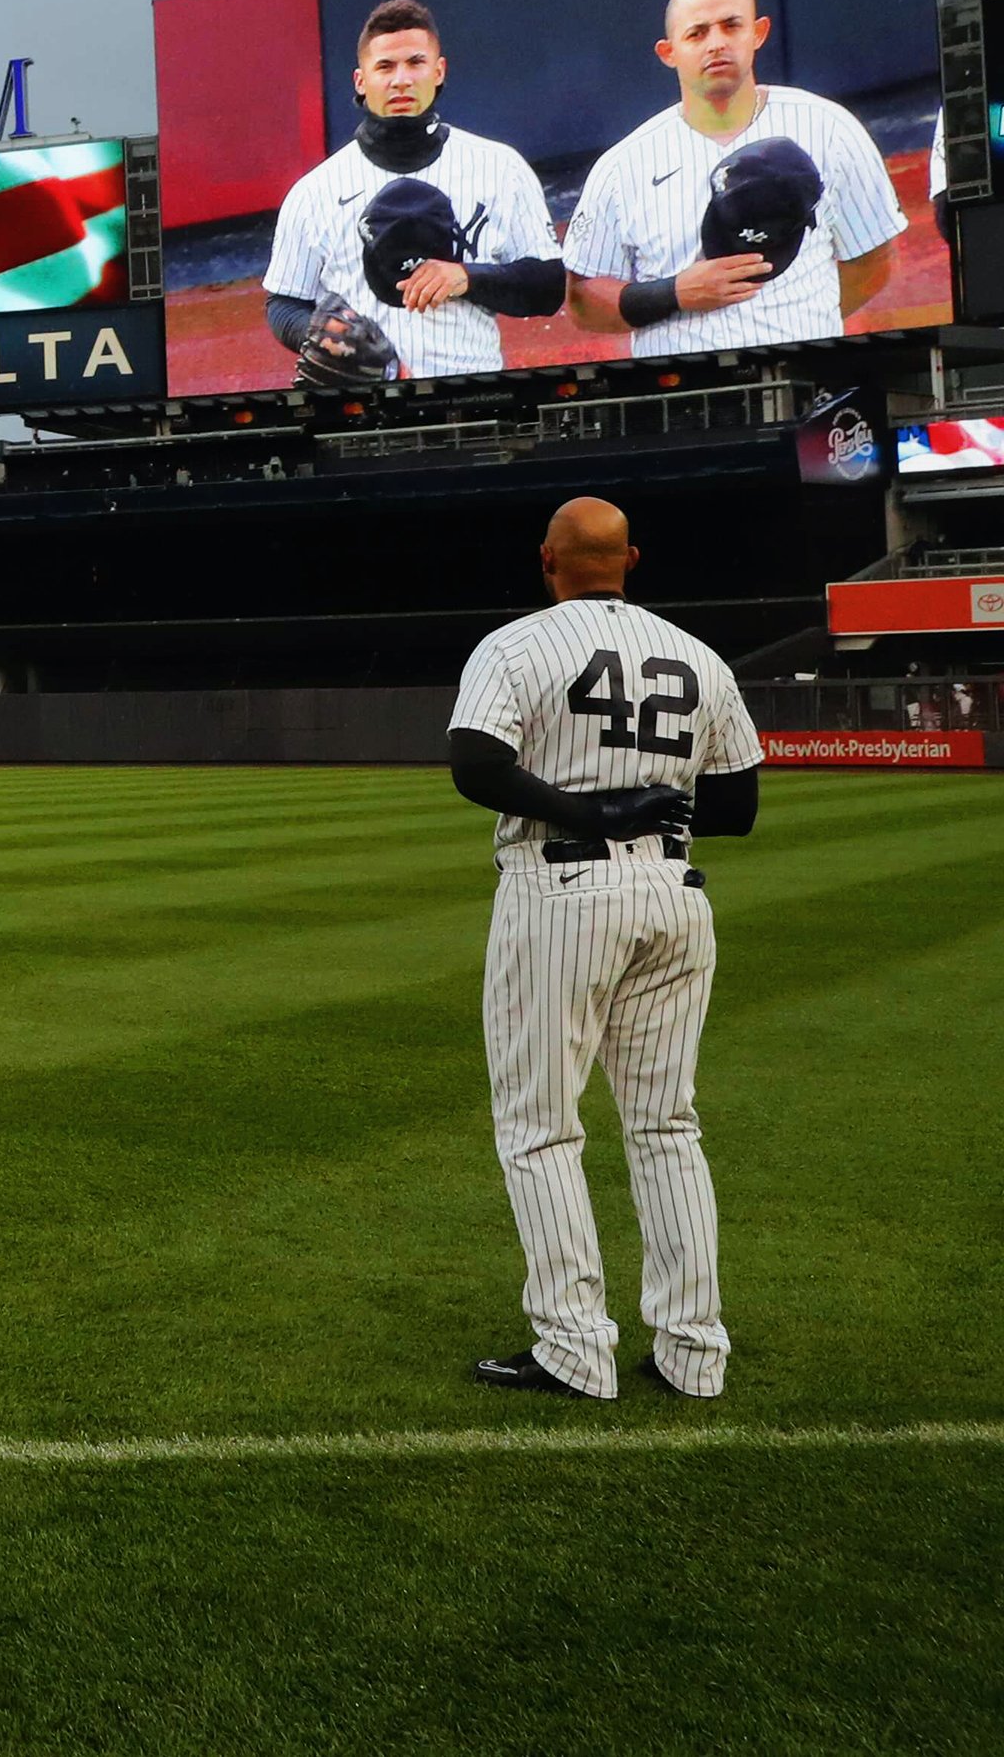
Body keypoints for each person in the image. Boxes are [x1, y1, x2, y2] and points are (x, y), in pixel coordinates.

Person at [446, 497, 762, 1399]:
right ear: (633, 559)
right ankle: (693, 1353)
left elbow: (475, 763)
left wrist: (592, 810)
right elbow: (736, 808)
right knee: (667, 1126)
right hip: (674, 896)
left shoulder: (514, 645)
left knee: (542, 1127)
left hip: (562, 894)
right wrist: (648, 807)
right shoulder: (699, 657)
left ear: (547, 559)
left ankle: (575, 1348)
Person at [565, 0, 906, 357]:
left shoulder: (829, 129)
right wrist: (674, 293)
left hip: (806, 385)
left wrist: (801, 326)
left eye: (731, 26)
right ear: (668, 52)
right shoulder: (623, 167)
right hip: (686, 398)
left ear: (758, 32)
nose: (717, 44)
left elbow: (873, 260)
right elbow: (583, 300)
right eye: (697, 33)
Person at [261, 0, 564, 383]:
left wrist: (467, 278)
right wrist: (336, 340)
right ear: (360, 80)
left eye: (415, 63)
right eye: (385, 66)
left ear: (439, 71)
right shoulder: (314, 192)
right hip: (363, 408)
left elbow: (548, 287)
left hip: (472, 398)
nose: (400, 79)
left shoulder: (500, 168)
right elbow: (284, 302)